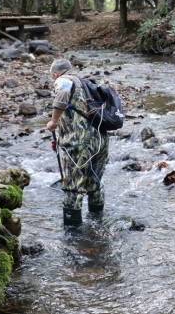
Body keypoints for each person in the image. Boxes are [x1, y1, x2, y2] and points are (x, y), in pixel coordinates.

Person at [47, 59, 109, 225]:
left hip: (79, 142)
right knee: (95, 183)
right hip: (100, 140)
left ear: (55, 74)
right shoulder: (86, 83)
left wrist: (53, 122)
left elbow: (61, 96)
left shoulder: (64, 81)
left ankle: (73, 233)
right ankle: (98, 223)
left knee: (73, 186)